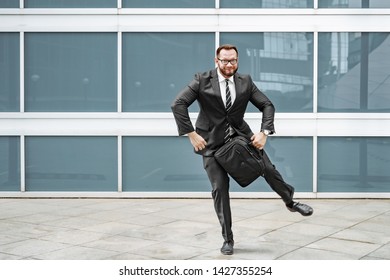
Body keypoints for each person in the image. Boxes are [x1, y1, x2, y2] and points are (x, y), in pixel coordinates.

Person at [171, 44, 313, 255]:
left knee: (269, 169)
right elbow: (179, 104)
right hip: (210, 143)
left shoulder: (245, 81)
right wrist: (192, 134)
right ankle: (228, 239)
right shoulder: (202, 80)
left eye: (233, 60)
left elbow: (267, 105)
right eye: (225, 60)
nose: (230, 65)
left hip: (240, 137)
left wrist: (264, 132)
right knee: (220, 190)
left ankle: (291, 202)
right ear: (216, 61)